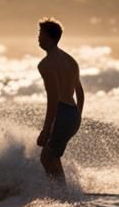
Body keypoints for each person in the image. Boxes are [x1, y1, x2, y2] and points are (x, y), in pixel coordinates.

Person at [36, 18, 84, 184]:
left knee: (46, 158)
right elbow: (80, 92)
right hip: (73, 114)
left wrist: (46, 129)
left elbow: (53, 98)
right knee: (52, 156)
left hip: (62, 113)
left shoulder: (46, 64)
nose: (38, 38)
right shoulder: (70, 60)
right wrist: (77, 116)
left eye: (41, 34)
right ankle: (63, 192)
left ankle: (61, 194)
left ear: (50, 37)